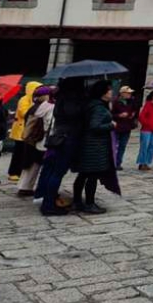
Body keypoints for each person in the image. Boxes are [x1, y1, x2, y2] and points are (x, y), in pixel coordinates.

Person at [39, 78, 85, 216]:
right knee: (57, 173)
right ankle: (48, 205)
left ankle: (47, 201)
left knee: (53, 171)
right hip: (67, 138)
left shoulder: (60, 98)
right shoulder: (70, 100)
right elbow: (74, 115)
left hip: (58, 137)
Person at [73, 80, 116, 214]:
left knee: (83, 175)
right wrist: (111, 125)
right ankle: (89, 203)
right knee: (92, 176)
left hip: (88, 144)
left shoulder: (93, 104)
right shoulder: (98, 107)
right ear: (103, 92)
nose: (111, 92)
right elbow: (94, 126)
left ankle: (77, 202)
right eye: (109, 90)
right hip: (94, 146)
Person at [17, 85, 54, 197]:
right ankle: (26, 187)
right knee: (34, 163)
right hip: (37, 139)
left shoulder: (34, 107)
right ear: (43, 96)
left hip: (31, 139)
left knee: (31, 163)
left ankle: (24, 186)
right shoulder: (43, 107)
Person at [8, 81, 42, 183]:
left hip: (28, 130)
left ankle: (21, 170)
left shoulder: (34, 100)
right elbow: (24, 113)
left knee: (25, 153)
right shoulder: (24, 99)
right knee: (18, 153)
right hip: (20, 130)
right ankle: (13, 172)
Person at [112, 86, 137, 171]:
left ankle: (118, 163)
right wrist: (119, 115)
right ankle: (112, 163)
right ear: (122, 93)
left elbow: (134, 110)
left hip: (127, 127)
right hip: (117, 127)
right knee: (113, 146)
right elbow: (110, 115)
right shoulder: (115, 102)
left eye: (130, 93)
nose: (130, 94)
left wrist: (133, 115)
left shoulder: (131, 101)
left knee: (122, 146)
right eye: (128, 93)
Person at [136, 91, 153, 171]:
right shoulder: (147, 105)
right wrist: (148, 124)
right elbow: (141, 117)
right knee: (144, 146)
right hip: (146, 130)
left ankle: (147, 162)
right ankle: (142, 163)